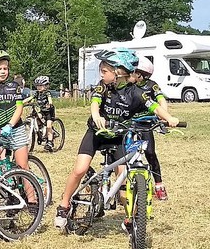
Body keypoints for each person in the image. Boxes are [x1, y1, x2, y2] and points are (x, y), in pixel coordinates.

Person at [53, 48, 179, 233]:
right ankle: (64, 206)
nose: (101, 74)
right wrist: (96, 115)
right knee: (79, 169)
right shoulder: (103, 86)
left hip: (119, 137)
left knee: (123, 181)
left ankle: (132, 219)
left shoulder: (135, 92)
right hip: (96, 134)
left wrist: (169, 118)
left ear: (118, 72)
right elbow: (95, 102)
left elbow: (154, 106)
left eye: (105, 71)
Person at [0, 50, 38, 213]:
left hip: (16, 129)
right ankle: (5, 193)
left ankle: (33, 200)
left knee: (22, 166)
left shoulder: (14, 86)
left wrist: (10, 125)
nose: (3, 71)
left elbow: (19, 108)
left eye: (5, 68)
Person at [130, 57, 169, 200]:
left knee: (150, 154)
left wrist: (164, 116)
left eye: (133, 72)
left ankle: (159, 185)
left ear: (140, 74)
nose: (130, 74)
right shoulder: (129, 86)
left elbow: (161, 100)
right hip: (129, 123)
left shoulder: (152, 86)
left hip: (145, 123)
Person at [28, 76, 56, 151]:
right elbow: (30, 98)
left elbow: (50, 99)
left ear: (46, 86)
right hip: (42, 111)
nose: (39, 87)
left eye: (41, 85)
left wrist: (50, 103)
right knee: (36, 118)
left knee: (48, 126)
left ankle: (50, 141)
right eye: (37, 86)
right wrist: (21, 103)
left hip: (49, 111)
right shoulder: (36, 93)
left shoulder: (47, 93)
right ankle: (42, 131)